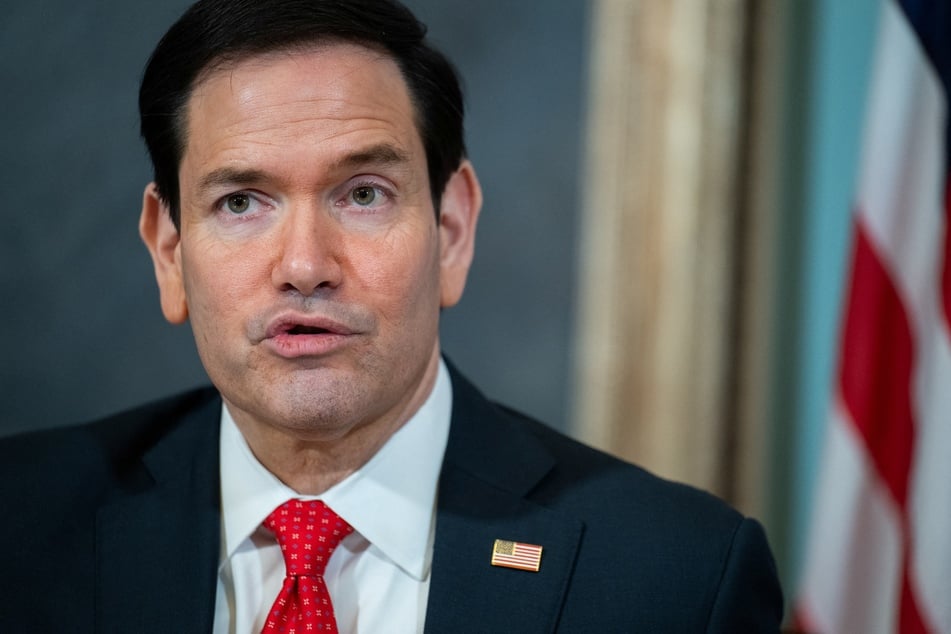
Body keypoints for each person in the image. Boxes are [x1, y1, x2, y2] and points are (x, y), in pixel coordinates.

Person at [0, 0, 783, 632]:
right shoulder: (20, 525)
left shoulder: (676, 579)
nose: (305, 265)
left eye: (363, 194)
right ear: (170, 251)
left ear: (451, 230)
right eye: (241, 202)